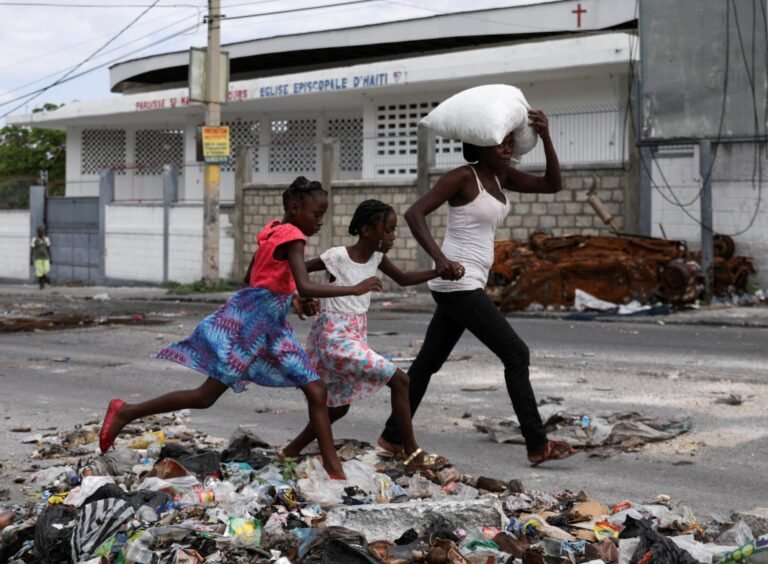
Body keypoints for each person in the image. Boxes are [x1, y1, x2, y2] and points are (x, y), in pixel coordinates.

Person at [98, 177, 382, 480]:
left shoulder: (272, 231)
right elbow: (303, 281)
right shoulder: (293, 235)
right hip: (255, 329)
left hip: (261, 324)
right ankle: (125, 411)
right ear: (295, 208)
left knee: (304, 391)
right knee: (300, 391)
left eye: (323, 214)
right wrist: (353, 289)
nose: (320, 221)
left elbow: (255, 278)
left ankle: (332, 469)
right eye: (316, 214)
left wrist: (293, 301)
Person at [378, 110, 577, 467]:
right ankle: (537, 444)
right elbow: (414, 213)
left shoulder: (502, 178)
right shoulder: (462, 177)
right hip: (457, 282)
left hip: (465, 283)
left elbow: (553, 185)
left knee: (426, 363)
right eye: (497, 142)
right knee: (516, 354)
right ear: (479, 147)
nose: (505, 147)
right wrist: (438, 258)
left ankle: (392, 438)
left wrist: (546, 136)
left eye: (508, 141)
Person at [278, 199, 448, 471]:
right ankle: (411, 452)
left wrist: (439, 272)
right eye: (388, 230)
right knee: (401, 380)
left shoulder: (377, 257)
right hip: (333, 337)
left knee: (338, 407)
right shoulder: (336, 257)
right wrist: (298, 297)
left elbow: (403, 279)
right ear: (367, 230)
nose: (392, 237)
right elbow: (294, 272)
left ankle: (290, 450)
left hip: (355, 334)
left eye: (394, 231)